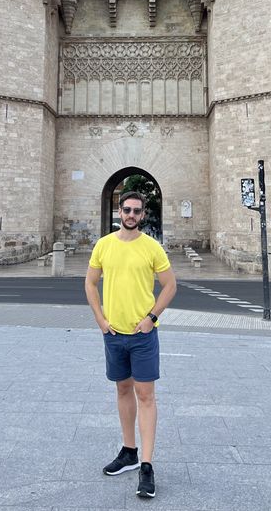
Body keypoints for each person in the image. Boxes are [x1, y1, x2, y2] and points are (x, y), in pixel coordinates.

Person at [85, 190, 177, 500]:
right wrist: (100, 319)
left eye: (137, 211)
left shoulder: (152, 248)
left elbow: (170, 285)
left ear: (143, 214)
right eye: (127, 209)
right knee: (122, 390)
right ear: (119, 211)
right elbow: (90, 282)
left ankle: (147, 466)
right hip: (113, 334)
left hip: (142, 335)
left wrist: (151, 317)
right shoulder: (104, 245)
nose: (131, 215)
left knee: (145, 395)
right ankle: (129, 451)